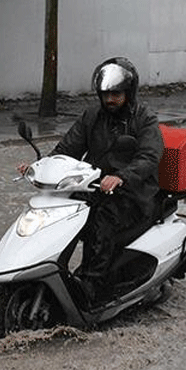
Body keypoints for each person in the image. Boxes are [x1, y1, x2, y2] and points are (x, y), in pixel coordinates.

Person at [20, 57, 164, 307]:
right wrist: (41, 167)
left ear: (129, 93)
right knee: (62, 212)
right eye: (105, 94)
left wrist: (121, 176)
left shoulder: (144, 118)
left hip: (134, 193)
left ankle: (92, 287)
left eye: (116, 94)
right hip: (93, 186)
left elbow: (149, 156)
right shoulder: (92, 116)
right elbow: (67, 149)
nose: (110, 100)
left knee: (102, 220)